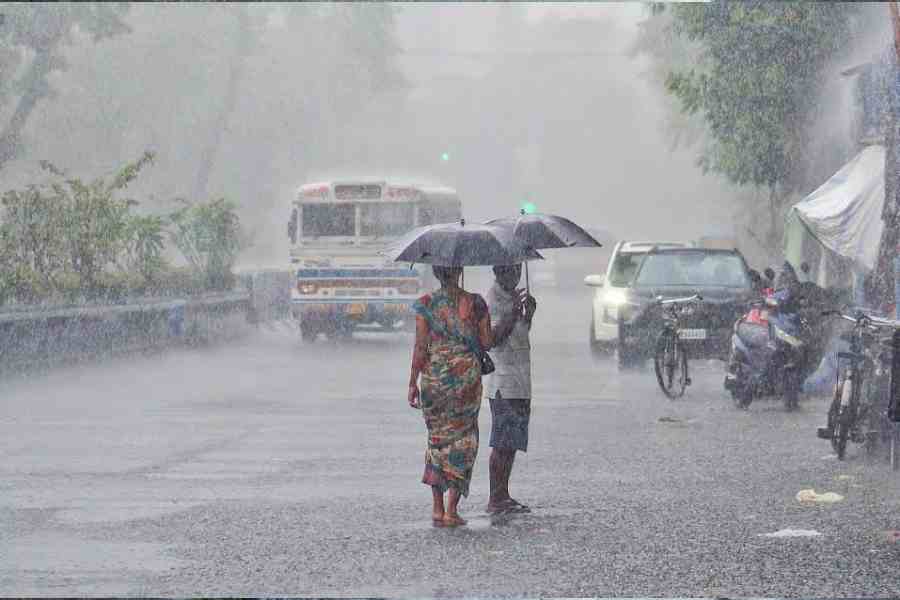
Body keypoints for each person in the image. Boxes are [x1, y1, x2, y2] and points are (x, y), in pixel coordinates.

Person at [407, 265, 493, 527]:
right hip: (466, 381)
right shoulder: (476, 303)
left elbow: (421, 347)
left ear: (436, 272)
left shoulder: (425, 304)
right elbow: (487, 343)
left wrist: (412, 382)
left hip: (434, 380)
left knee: (437, 440)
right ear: (459, 271)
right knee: (464, 440)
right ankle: (452, 510)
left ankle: (437, 507)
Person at [485, 263, 537, 514]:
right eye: (509, 270)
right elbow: (493, 338)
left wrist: (528, 315)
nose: (515, 275)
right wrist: (514, 312)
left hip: (520, 382)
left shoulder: (512, 297)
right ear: (497, 271)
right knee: (502, 444)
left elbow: (518, 335)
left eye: (517, 269)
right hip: (503, 384)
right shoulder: (492, 300)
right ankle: (495, 498)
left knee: (512, 443)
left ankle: (503, 494)